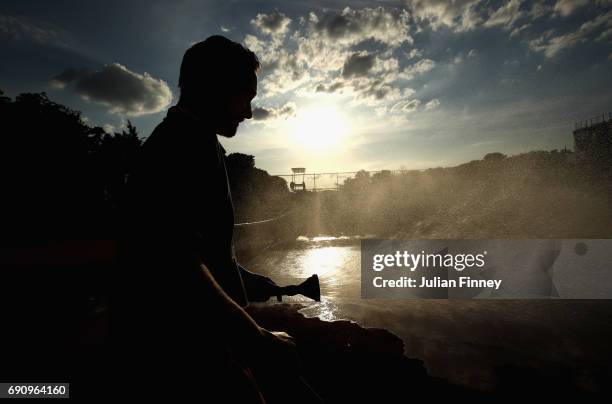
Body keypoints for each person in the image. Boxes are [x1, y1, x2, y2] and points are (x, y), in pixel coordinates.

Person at [109, 36, 321, 402]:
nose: (250, 113)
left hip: (207, 344)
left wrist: (245, 280)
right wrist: (258, 339)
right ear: (217, 89)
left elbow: (200, 252)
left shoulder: (194, 141)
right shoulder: (181, 147)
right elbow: (177, 263)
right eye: (246, 98)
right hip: (185, 357)